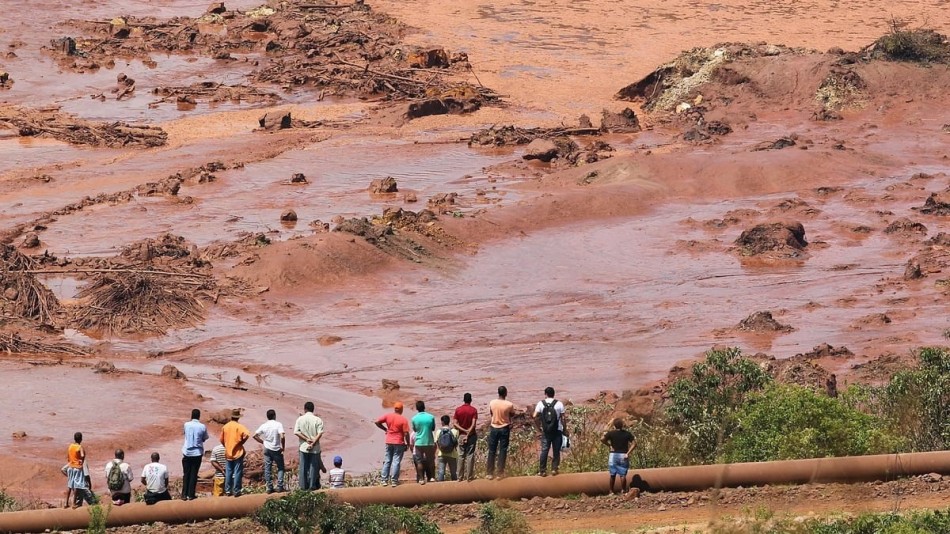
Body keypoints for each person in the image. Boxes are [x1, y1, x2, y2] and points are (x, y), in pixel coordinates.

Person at [375, 401, 410, 487]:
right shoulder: (403, 420)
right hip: (399, 442)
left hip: (389, 441)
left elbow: (377, 422)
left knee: (387, 460)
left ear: (394, 409)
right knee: (396, 461)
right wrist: (408, 444)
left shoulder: (388, 416)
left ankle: (384, 480)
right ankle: (394, 481)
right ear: (401, 410)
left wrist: (385, 429)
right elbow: (406, 433)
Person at [534, 386, 567, 477]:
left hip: (546, 431)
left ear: (545, 394)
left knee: (545, 450)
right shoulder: (559, 404)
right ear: (554, 394)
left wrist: (538, 428)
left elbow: (534, 416)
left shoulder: (541, 403)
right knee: (556, 451)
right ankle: (554, 469)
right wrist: (565, 429)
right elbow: (563, 418)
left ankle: (542, 471)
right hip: (557, 430)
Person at [253, 409, 286, 494]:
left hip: (267, 449)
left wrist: (263, 442)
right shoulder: (278, 424)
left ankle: (269, 487)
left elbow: (254, 435)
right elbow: (282, 436)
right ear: (275, 416)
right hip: (276, 449)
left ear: (267, 417)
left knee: (268, 468)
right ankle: (279, 486)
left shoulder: (264, 425)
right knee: (281, 467)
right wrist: (283, 447)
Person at [293, 401, 324, 490]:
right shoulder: (318, 420)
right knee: (313, 467)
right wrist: (313, 443)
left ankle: (303, 487)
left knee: (303, 467)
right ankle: (312, 486)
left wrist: (306, 440)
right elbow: (320, 433)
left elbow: (296, 432)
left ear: (305, 409)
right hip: (315, 448)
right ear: (313, 409)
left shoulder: (300, 419)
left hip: (303, 447)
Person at [601, 418, 636, 495]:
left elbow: (602, 439)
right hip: (623, 455)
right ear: (622, 425)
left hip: (613, 455)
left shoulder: (611, 433)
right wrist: (628, 453)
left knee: (612, 474)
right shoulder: (627, 434)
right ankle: (623, 490)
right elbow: (634, 444)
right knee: (622, 474)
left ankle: (611, 491)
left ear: (614, 426)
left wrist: (609, 445)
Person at [220, 408, 250, 497]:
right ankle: (236, 490)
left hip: (228, 453)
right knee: (237, 472)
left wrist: (226, 445)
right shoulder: (239, 426)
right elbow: (247, 434)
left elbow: (221, 440)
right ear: (238, 418)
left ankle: (228, 490)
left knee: (229, 472)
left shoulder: (225, 426)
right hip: (238, 452)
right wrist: (241, 442)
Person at [486, 386, 514, 480]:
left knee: (492, 450)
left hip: (494, 427)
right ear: (505, 393)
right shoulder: (509, 404)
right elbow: (512, 414)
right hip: (504, 428)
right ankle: (499, 473)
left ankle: (489, 473)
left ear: (498, 393)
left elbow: (491, 413)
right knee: (503, 450)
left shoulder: (492, 402)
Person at [181, 408, 209, 501]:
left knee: (186, 474)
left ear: (191, 416)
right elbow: (205, 438)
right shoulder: (202, 426)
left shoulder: (186, 425)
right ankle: (191, 495)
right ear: (199, 416)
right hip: (197, 453)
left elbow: (184, 434)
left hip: (187, 453)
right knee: (194, 474)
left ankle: (184, 495)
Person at [64, 432, 97, 508]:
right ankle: (74, 504)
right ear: (81, 439)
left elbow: (68, 457)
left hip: (70, 467)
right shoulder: (80, 447)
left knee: (69, 486)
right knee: (77, 486)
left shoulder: (70, 446)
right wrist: (82, 459)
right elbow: (82, 455)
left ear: (74, 438)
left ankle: (66, 503)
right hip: (77, 468)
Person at [453, 392, 478, 482]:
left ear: (463, 400)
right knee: (470, 455)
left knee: (461, 456)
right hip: (471, 435)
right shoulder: (474, 410)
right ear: (471, 400)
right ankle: (469, 477)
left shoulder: (458, 410)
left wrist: (463, 430)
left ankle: (460, 478)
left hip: (461, 435)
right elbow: (473, 424)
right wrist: (468, 432)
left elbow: (455, 424)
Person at [411, 400, 437, 484]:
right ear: (424, 407)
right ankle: (432, 477)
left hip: (418, 442)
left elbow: (414, 430)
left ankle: (421, 479)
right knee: (431, 460)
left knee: (419, 461)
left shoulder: (414, 418)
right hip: (429, 441)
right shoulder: (431, 417)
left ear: (417, 408)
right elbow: (433, 428)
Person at [436, 415, 460, 481]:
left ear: (442, 422)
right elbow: (456, 443)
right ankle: (455, 488)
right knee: (453, 473)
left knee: (441, 472)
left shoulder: (438, 431)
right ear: (449, 422)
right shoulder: (455, 431)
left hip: (441, 454)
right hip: (452, 454)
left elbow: (437, 443)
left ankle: (440, 488)